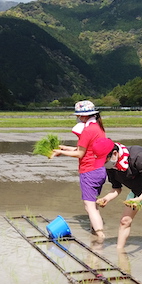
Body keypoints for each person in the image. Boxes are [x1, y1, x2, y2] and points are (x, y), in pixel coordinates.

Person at [91, 137, 142, 258]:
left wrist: (139, 199)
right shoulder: (111, 166)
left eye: (104, 159)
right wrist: (106, 198)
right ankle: (119, 252)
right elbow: (117, 188)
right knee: (124, 221)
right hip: (138, 189)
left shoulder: (138, 156)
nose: (103, 164)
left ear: (115, 154)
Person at [51, 100, 108, 239]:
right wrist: (65, 147)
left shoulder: (87, 130)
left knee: (89, 206)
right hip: (100, 171)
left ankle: (100, 236)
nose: (77, 118)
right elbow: (84, 149)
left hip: (89, 171)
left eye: (78, 115)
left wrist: (61, 153)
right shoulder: (98, 128)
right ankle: (94, 232)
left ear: (83, 116)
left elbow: (79, 154)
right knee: (93, 204)